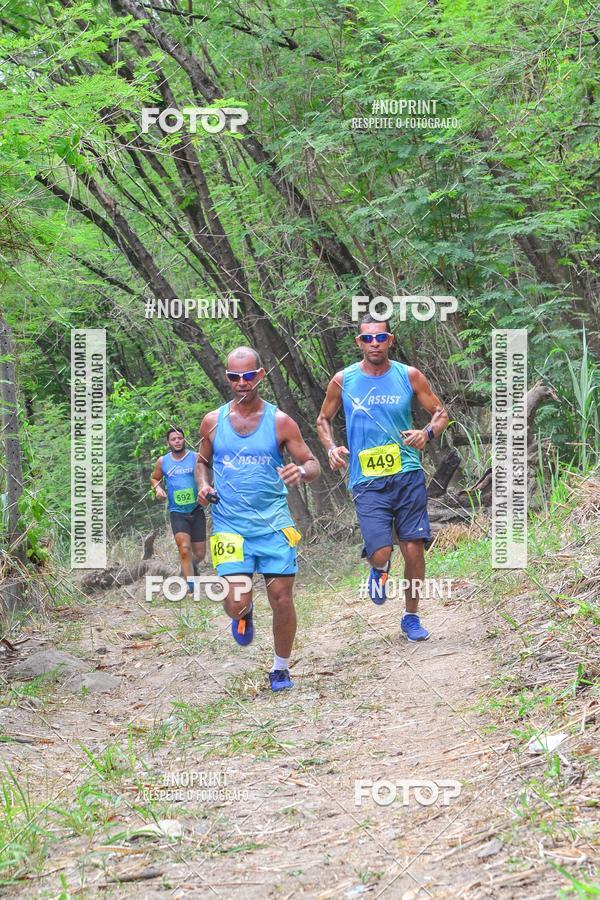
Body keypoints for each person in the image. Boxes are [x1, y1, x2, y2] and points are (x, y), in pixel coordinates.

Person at [195, 346, 320, 692]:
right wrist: (203, 486)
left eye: (248, 376)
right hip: (229, 525)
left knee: (281, 597)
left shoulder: (280, 421)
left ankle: (281, 668)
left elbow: (312, 463)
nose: (242, 383)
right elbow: (201, 462)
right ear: (227, 378)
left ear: (260, 375)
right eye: (235, 377)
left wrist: (302, 472)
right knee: (235, 602)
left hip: (273, 523)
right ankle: (244, 611)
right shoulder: (213, 421)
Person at [316, 315, 449, 641]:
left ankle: (411, 617)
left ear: (390, 340)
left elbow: (441, 413)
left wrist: (427, 433)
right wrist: (332, 448)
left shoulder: (409, 375)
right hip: (367, 480)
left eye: (380, 338)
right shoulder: (343, 380)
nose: (374, 344)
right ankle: (379, 569)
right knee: (380, 552)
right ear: (359, 343)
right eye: (367, 339)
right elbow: (323, 419)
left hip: (406, 474)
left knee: (414, 549)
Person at [150, 427, 205, 594]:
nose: (177, 441)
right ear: (168, 442)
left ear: (184, 440)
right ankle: (190, 588)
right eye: (173, 439)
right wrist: (157, 489)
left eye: (180, 438)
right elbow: (154, 478)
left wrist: (205, 488)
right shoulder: (163, 461)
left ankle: (186, 567)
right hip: (177, 512)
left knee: (200, 554)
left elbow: (205, 475)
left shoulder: (195, 457)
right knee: (184, 549)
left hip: (196, 510)